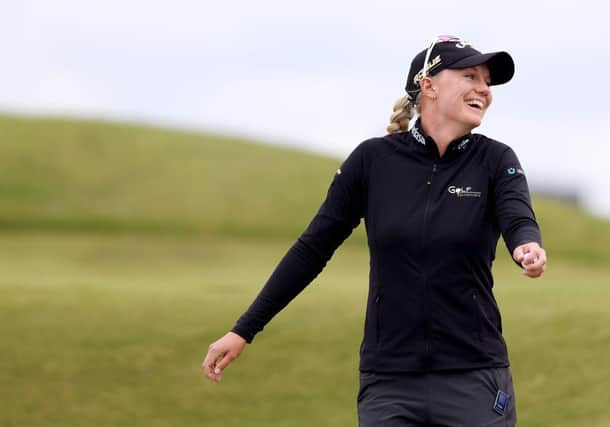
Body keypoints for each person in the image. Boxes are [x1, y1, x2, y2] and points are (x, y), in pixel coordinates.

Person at [202, 35, 547, 426]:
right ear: (428, 85)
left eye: (487, 81)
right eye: (470, 75)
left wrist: (527, 246)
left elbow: (518, 216)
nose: (484, 89)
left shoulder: (495, 159)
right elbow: (312, 249)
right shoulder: (372, 161)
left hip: (474, 378)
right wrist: (243, 329)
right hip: (389, 384)